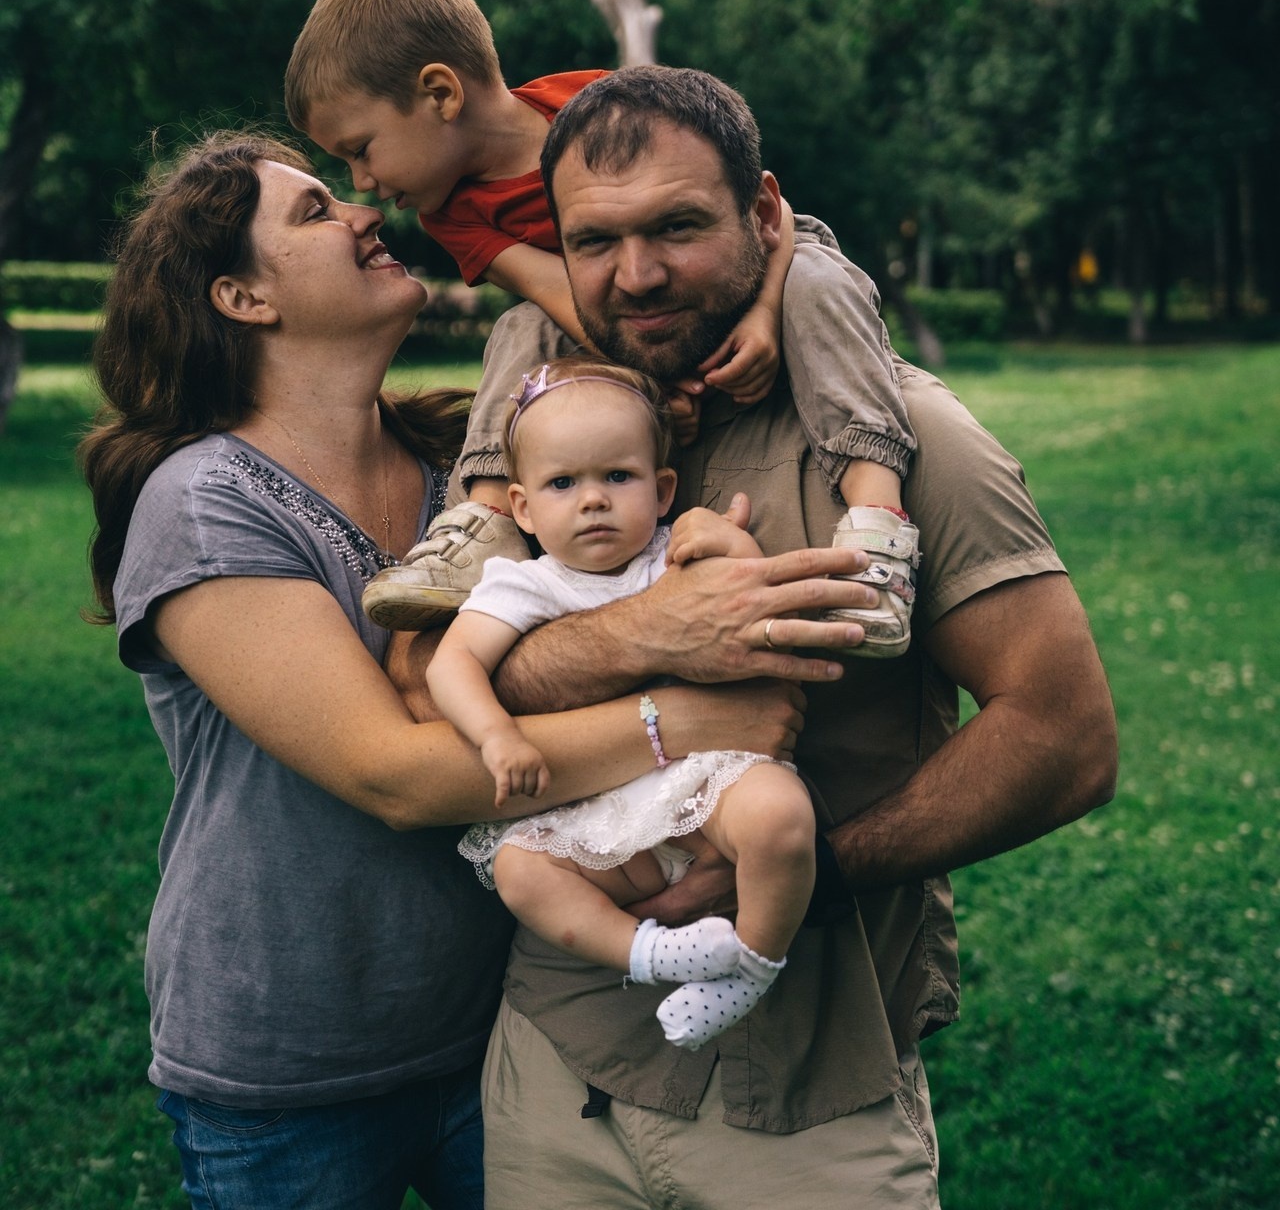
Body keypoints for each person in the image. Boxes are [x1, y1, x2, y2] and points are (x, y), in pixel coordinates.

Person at [388, 66, 1117, 1208]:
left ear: (765, 215)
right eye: (594, 240)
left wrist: (818, 869)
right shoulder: (546, 438)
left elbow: (1064, 733)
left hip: (805, 1100)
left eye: (676, 226)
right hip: (549, 1072)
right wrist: (650, 636)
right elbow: (419, 683)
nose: (634, 275)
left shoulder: (911, 434)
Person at [77, 131, 834, 1210]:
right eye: (312, 210)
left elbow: (656, 204)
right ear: (242, 296)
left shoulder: (474, 475)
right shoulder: (206, 499)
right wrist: (697, 718)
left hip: (502, 1027)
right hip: (294, 1063)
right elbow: (396, 774)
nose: (360, 212)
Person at [284, 0, 920, 656]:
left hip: (757, 262)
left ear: (439, 92)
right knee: (521, 328)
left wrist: (766, 309)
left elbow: (768, 203)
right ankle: (485, 521)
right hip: (623, 324)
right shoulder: (454, 216)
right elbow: (568, 300)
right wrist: (649, 387)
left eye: (360, 150)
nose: (363, 184)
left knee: (820, 281)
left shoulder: (593, 104)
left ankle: (876, 531)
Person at [429, 358, 816, 1050]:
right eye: (562, 483)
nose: (593, 500)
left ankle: (751, 969)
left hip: (707, 782)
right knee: (521, 871)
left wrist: (731, 542)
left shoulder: (676, 555)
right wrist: (496, 737)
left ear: (662, 488)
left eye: (617, 477)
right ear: (521, 507)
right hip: (599, 811)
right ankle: (650, 954)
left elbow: (748, 610)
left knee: (783, 819)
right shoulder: (526, 586)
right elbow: (454, 663)